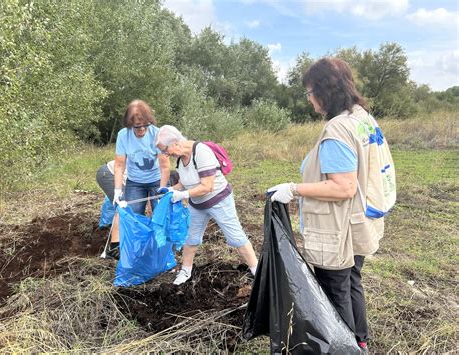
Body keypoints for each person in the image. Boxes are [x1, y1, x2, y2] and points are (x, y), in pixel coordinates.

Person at [268, 58, 391, 350]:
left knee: (336, 291)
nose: (309, 100)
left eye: (309, 92)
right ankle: (360, 343)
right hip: (360, 222)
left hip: (338, 229)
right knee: (351, 282)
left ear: (325, 89)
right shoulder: (362, 118)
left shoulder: (338, 129)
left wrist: (293, 189)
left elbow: (344, 186)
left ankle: (345, 348)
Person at [155, 125, 258, 285]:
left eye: (165, 150)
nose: (165, 154)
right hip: (196, 204)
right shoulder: (181, 159)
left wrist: (182, 195)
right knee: (190, 238)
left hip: (219, 201)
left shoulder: (201, 152)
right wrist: (169, 190)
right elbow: (184, 183)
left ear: (175, 142)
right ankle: (186, 271)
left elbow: (207, 186)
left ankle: (256, 270)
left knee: (236, 237)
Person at [110, 99, 171, 257]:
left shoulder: (157, 134)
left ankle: (162, 251)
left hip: (157, 180)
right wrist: (117, 190)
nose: (142, 129)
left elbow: (165, 166)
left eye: (145, 125)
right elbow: (119, 165)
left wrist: (162, 188)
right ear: (129, 125)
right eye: (137, 126)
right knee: (133, 216)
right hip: (135, 182)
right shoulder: (123, 136)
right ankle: (135, 250)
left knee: (160, 215)